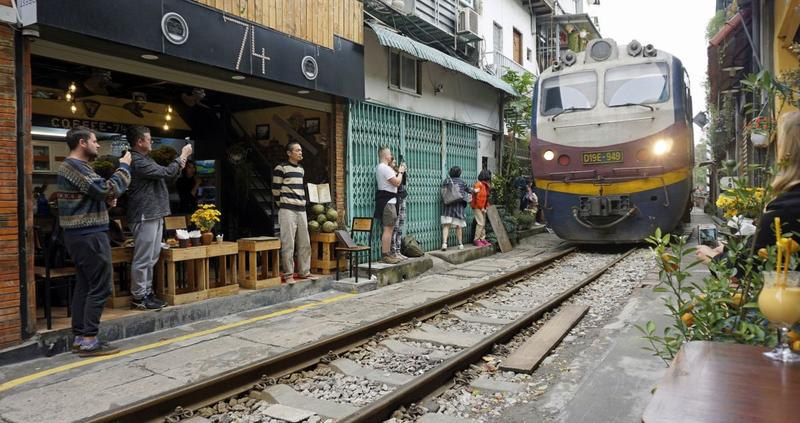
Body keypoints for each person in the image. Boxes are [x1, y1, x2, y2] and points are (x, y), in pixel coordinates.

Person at [57, 126, 131, 356]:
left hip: (80, 235)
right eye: (95, 141)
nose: (98, 145)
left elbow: (96, 194)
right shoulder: (74, 166)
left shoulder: (76, 167)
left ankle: (81, 336)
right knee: (101, 285)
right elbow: (105, 188)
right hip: (88, 234)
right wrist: (125, 167)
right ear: (82, 142)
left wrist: (106, 201)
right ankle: (90, 339)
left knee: (85, 285)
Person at [697, 111, 800, 264]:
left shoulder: (784, 210)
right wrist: (727, 250)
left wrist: (712, 258)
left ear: (788, 152)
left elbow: (749, 267)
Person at [127, 126, 192, 310]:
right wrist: (183, 156)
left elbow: (166, 175)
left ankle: (147, 293)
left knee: (152, 257)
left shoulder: (146, 159)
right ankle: (139, 296)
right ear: (139, 141)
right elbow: (165, 173)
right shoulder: (136, 160)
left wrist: (178, 164)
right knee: (143, 258)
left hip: (154, 212)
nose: (151, 141)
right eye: (148, 139)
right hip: (144, 213)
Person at [272, 142, 314, 283]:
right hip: (287, 210)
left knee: (305, 243)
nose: (300, 153)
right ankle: (288, 274)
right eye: (297, 150)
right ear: (289, 153)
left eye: (301, 150)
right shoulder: (281, 168)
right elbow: (275, 190)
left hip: (301, 210)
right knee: (288, 243)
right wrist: (283, 205)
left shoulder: (301, 169)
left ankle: (304, 271)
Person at [374, 146, 406, 264]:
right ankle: (386, 255)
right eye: (390, 154)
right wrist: (401, 172)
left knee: (389, 228)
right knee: (388, 229)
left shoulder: (380, 168)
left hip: (389, 201)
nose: (391, 156)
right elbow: (397, 182)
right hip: (389, 202)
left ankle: (388, 254)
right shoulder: (384, 168)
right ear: (386, 156)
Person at [441, 166, 472, 251]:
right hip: (458, 207)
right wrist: (475, 190)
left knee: (446, 225)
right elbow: (469, 190)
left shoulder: (446, 181)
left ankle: (444, 244)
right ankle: (460, 244)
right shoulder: (461, 181)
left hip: (448, 206)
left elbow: (444, 192)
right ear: (459, 173)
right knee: (458, 226)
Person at [390, 156, 408, 260]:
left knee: (400, 226)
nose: (395, 162)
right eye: (393, 161)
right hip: (395, 200)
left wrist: (403, 172)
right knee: (395, 226)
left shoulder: (398, 170)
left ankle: (398, 250)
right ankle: (393, 251)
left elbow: (403, 183)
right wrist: (399, 173)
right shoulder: (389, 172)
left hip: (402, 198)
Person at [471, 169, 492, 247]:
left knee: (483, 223)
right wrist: (482, 207)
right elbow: (479, 198)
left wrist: (486, 206)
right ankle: (476, 240)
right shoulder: (479, 184)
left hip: (482, 207)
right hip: (477, 206)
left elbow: (485, 198)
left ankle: (482, 239)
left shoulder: (484, 185)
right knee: (480, 223)